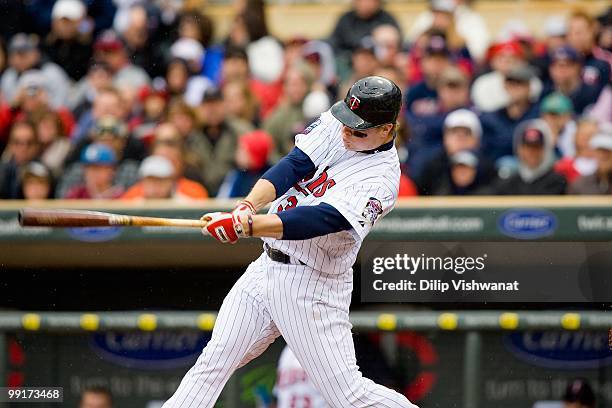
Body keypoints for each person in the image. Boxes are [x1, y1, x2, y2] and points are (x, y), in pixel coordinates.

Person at [162, 76, 417, 408]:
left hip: (312, 285)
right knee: (214, 362)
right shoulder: (340, 122)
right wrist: (245, 207)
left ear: (386, 130)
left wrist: (250, 226)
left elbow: (320, 220)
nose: (345, 132)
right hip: (267, 266)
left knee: (348, 395)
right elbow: (294, 165)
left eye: (358, 130)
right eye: (346, 122)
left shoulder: (382, 178)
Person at [479, 64, 540, 161]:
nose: (516, 88)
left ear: (529, 87)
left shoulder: (539, 114)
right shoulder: (492, 117)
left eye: (520, 83)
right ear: (505, 86)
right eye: (511, 83)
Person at [494, 120, 567, 195]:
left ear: (545, 150)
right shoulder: (508, 182)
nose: (532, 152)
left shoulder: (557, 182)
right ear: (519, 149)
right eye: (527, 147)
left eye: (536, 147)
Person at [1, 33, 71, 108]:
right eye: (14, 54)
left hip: (49, 117)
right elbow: (4, 112)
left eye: (23, 54)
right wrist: (15, 104)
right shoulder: (8, 77)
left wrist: (47, 104)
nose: (19, 59)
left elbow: (64, 107)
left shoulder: (52, 72)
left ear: (36, 53)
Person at [121, 155, 208, 201]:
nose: (155, 186)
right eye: (151, 180)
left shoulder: (187, 205)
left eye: (160, 180)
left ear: (171, 181)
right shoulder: (132, 206)